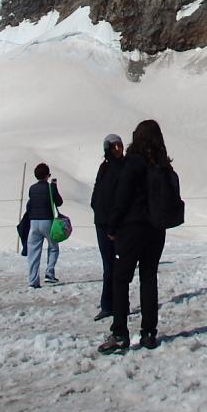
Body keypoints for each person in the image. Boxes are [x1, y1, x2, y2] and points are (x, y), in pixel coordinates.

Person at [99, 120, 176, 354]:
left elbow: (122, 197)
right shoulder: (163, 164)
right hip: (156, 229)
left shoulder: (132, 163)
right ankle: (149, 332)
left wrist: (112, 226)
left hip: (132, 228)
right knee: (148, 278)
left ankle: (120, 332)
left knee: (121, 279)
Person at [90, 133, 125, 321]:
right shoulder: (103, 167)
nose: (118, 149)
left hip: (118, 224)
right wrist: (97, 207)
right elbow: (97, 191)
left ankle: (120, 304)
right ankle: (107, 305)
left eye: (120, 145)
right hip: (102, 223)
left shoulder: (125, 166)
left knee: (120, 266)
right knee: (108, 265)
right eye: (114, 146)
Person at [21, 163, 61, 288]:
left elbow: (30, 204)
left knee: (33, 252)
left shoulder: (32, 188)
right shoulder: (50, 187)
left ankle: (33, 281)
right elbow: (59, 202)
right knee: (53, 247)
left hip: (34, 222)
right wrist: (54, 187)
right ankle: (49, 273)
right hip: (47, 221)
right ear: (47, 175)